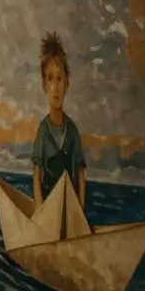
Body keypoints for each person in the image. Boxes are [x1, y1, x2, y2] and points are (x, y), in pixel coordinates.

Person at [31, 31, 87, 210]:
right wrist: (40, 212)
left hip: (70, 210)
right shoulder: (43, 131)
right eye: (50, 79)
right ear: (44, 85)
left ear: (67, 84)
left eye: (59, 79)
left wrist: (80, 214)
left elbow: (80, 176)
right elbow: (37, 175)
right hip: (48, 210)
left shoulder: (72, 132)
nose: (56, 87)